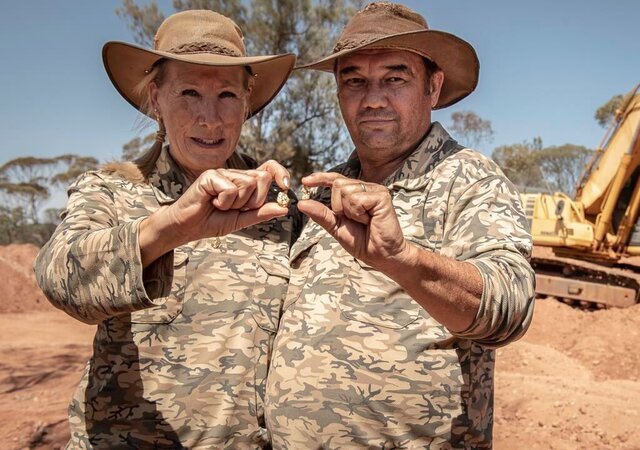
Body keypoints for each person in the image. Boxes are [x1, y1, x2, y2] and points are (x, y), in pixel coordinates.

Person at [265, 2, 536, 448]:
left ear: (433, 87)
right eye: (354, 81)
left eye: (395, 78)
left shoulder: (467, 178)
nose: (372, 98)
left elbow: (512, 309)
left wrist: (403, 259)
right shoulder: (322, 189)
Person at [35, 10, 297, 448]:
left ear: (247, 103)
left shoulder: (278, 203)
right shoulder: (112, 191)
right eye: (189, 93)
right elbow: (60, 278)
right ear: (156, 100)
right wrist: (171, 226)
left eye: (228, 95)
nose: (210, 118)